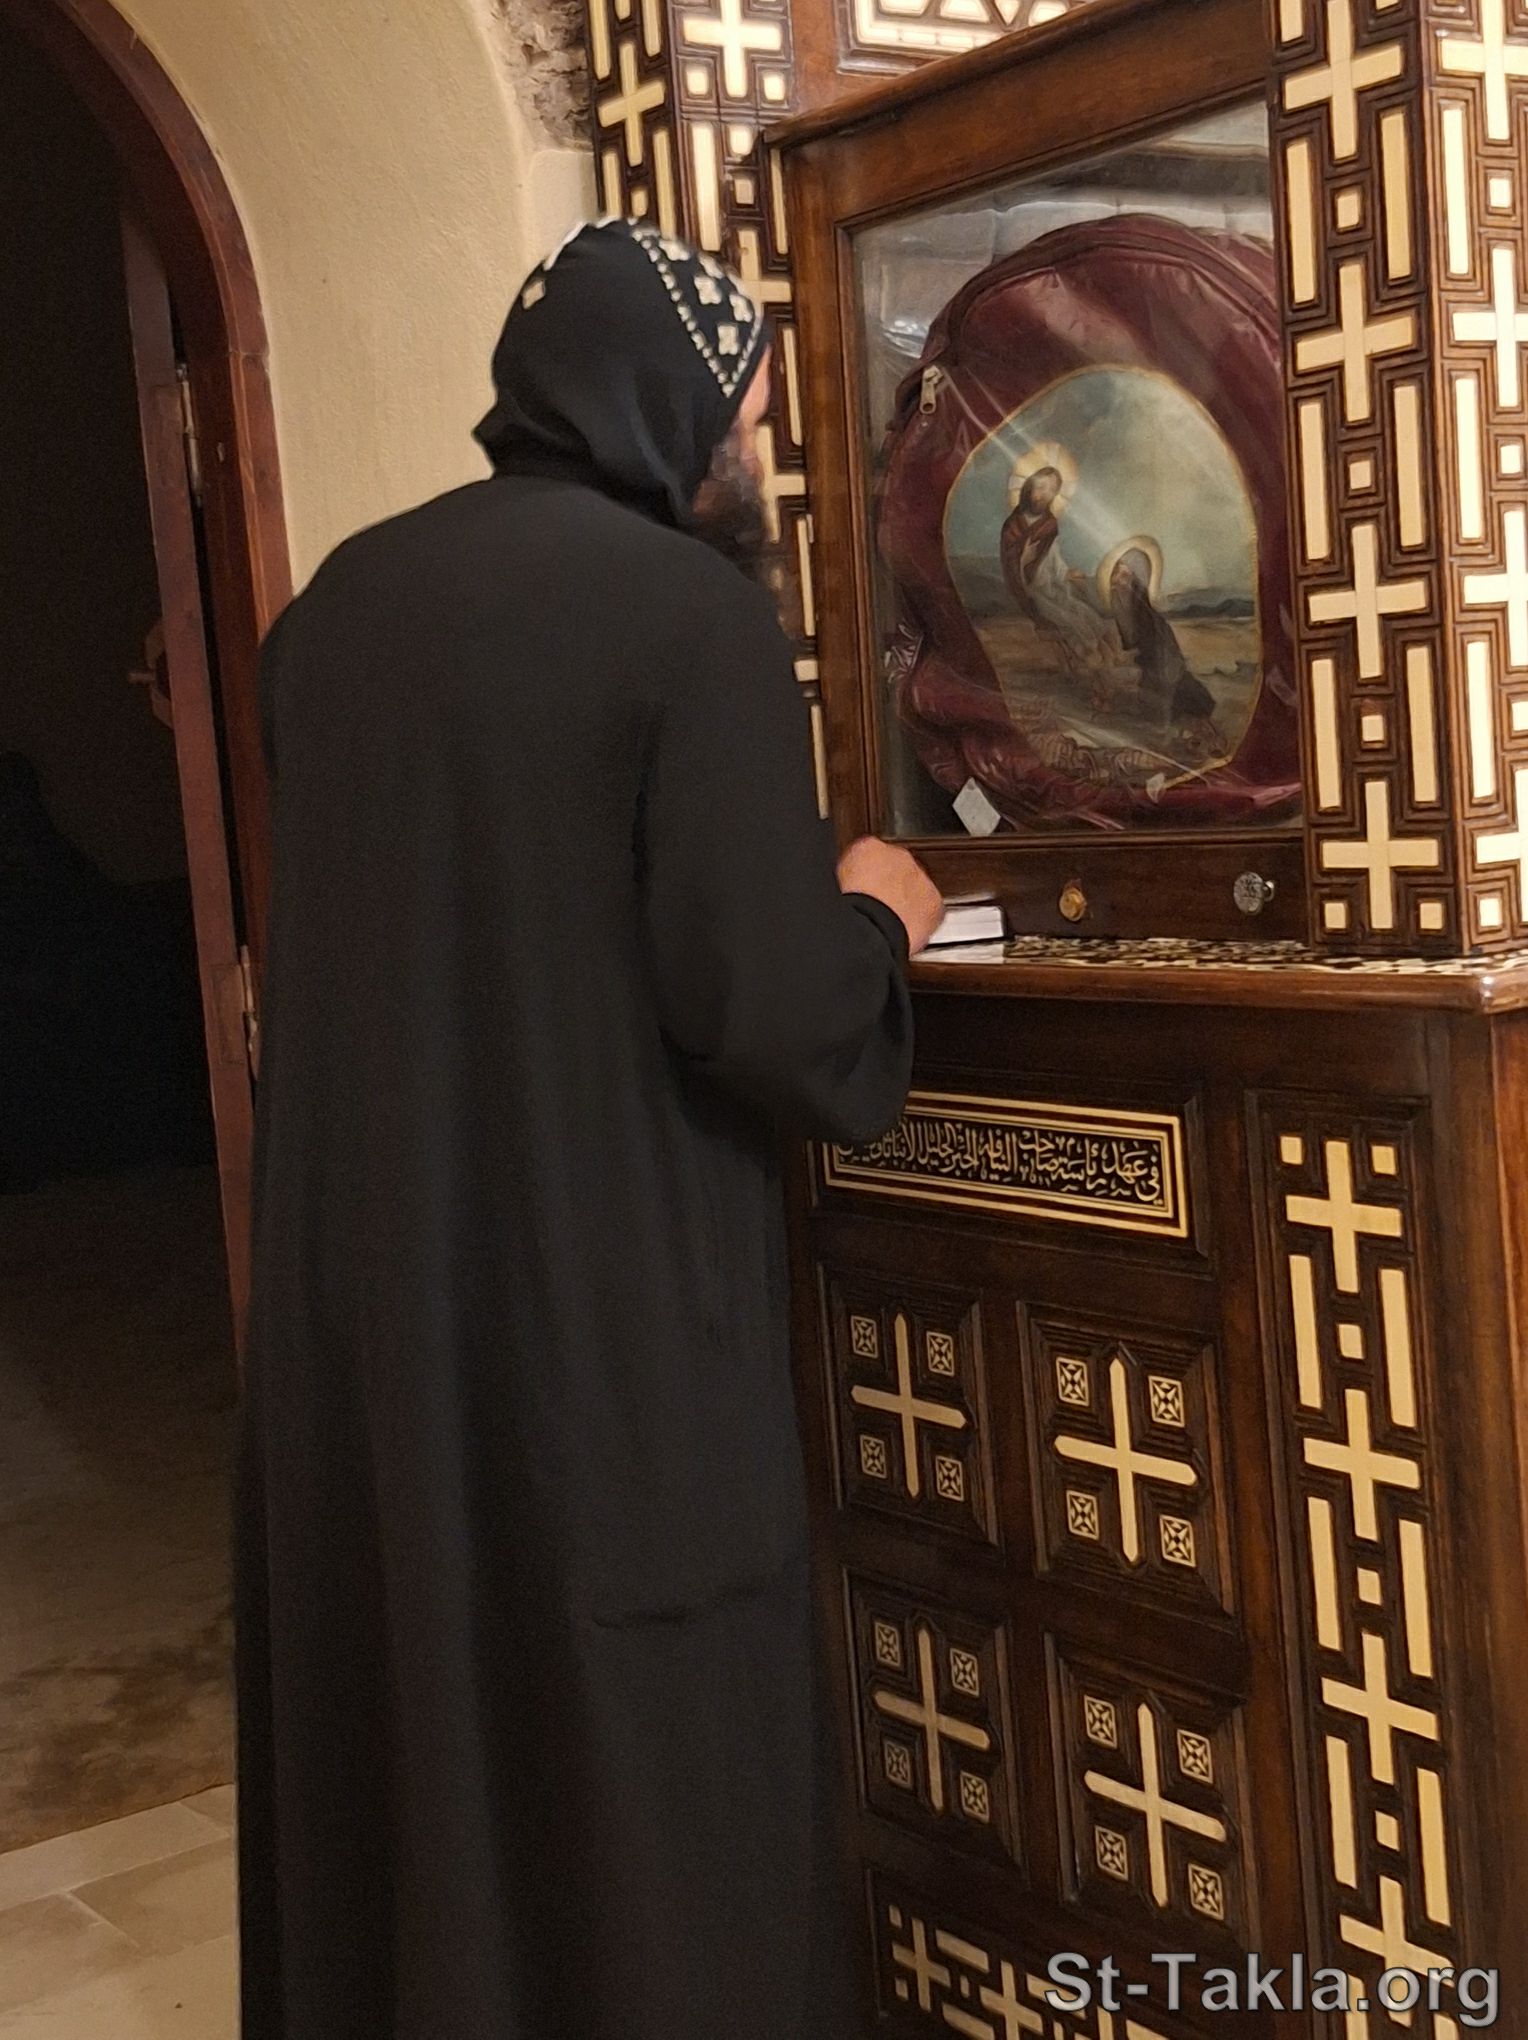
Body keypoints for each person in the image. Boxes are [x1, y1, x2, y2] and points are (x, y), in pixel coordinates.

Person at [235, 217, 943, 2040]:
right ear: (670, 407)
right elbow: (768, 1013)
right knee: (646, 1766)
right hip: (595, 1330)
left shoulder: (330, 617)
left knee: (429, 1729)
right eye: (754, 423)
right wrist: (876, 917)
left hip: (372, 1334)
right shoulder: (685, 621)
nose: (761, 463)